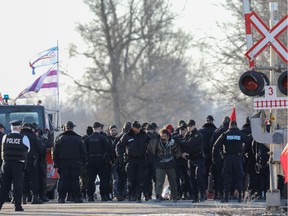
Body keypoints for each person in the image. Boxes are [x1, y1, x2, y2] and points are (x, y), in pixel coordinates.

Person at [212, 120, 250, 203]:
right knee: (239, 177)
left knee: (227, 177)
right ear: (236, 126)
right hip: (237, 158)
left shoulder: (225, 134)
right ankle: (240, 197)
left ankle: (226, 198)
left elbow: (215, 146)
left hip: (228, 158)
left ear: (229, 126)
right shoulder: (240, 134)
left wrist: (217, 156)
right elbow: (248, 141)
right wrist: (244, 150)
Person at [116, 121, 151, 203]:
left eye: (139, 128)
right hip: (131, 160)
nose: (138, 129)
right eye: (137, 128)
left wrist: (150, 156)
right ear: (133, 128)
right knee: (131, 179)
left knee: (140, 178)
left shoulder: (144, 135)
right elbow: (119, 146)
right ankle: (131, 194)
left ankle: (138, 195)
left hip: (142, 159)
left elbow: (152, 144)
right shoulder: (127, 135)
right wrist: (120, 157)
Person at [53, 121, 87, 203]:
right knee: (75, 180)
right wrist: (84, 162)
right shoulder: (78, 138)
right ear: (72, 128)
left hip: (63, 163)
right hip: (75, 162)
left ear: (65, 128)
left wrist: (56, 163)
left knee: (63, 180)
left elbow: (55, 152)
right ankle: (77, 198)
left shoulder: (59, 138)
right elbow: (84, 152)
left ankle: (61, 198)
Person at [0, 120, 30, 212]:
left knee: (4, 186)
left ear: (11, 128)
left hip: (6, 164)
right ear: (20, 128)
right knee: (17, 185)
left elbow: (3, 148)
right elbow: (28, 150)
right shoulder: (24, 138)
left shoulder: (5, 137)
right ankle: (17, 206)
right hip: (18, 164)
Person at [147, 128, 182, 203]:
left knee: (173, 181)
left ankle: (174, 196)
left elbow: (178, 153)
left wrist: (173, 147)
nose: (163, 137)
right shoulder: (156, 142)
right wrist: (154, 160)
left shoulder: (172, 142)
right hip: (160, 164)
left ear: (168, 136)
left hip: (170, 164)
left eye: (165, 136)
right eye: (162, 136)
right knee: (159, 182)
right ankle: (158, 196)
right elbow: (150, 150)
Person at [84, 122, 111, 202]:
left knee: (90, 179)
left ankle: (90, 196)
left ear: (93, 128)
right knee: (103, 179)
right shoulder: (103, 138)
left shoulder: (88, 139)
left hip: (91, 160)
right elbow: (108, 149)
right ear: (99, 128)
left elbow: (84, 151)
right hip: (101, 160)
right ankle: (104, 196)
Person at [180, 119, 206, 203]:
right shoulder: (188, 134)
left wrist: (179, 141)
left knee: (199, 177)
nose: (189, 128)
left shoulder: (198, 135)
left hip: (198, 158)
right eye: (188, 126)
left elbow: (189, 143)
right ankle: (195, 197)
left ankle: (202, 194)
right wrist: (183, 152)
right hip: (191, 158)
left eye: (190, 126)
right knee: (192, 178)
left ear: (194, 126)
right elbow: (184, 144)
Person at [21, 122, 44, 204]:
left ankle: (23, 197)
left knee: (23, 179)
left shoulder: (19, 136)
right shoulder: (33, 136)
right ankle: (34, 197)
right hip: (32, 161)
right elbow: (41, 149)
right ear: (30, 128)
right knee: (34, 179)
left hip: (20, 161)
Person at [210, 116, 230, 200]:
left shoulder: (217, 131)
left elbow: (212, 144)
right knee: (229, 175)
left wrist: (213, 157)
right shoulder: (232, 131)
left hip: (218, 157)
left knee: (218, 176)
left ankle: (218, 193)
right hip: (229, 157)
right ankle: (229, 194)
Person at [198, 115, 217, 192]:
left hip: (203, 155)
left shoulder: (200, 131)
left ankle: (203, 192)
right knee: (215, 174)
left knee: (204, 174)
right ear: (212, 121)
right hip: (214, 155)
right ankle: (216, 193)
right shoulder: (216, 131)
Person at [144, 123, 158, 201]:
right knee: (156, 179)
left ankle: (147, 195)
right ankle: (158, 195)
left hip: (145, 160)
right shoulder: (156, 137)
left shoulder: (143, 136)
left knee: (147, 179)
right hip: (154, 160)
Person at [80, 126, 93, 199]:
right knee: (91, 178)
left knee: (83, 179)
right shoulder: (92, 138)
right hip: (91, 161)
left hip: (84, 162)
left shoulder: (83, 139)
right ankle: (89, 193)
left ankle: (83, 193)